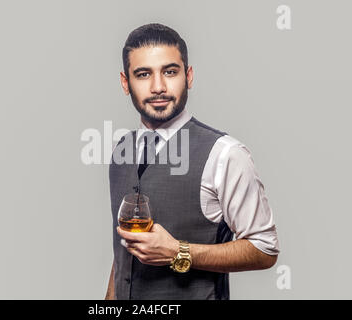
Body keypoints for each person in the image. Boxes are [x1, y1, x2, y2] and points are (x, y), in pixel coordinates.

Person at [105, 23, 279, 300]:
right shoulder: (120, 151)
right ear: (126, 83)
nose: (158, 87)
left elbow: (264, 249)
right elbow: (123, 255)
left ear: (189, 76)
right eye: (143, 74)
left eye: (170, 72)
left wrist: (178, 251)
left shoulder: (225, 154)